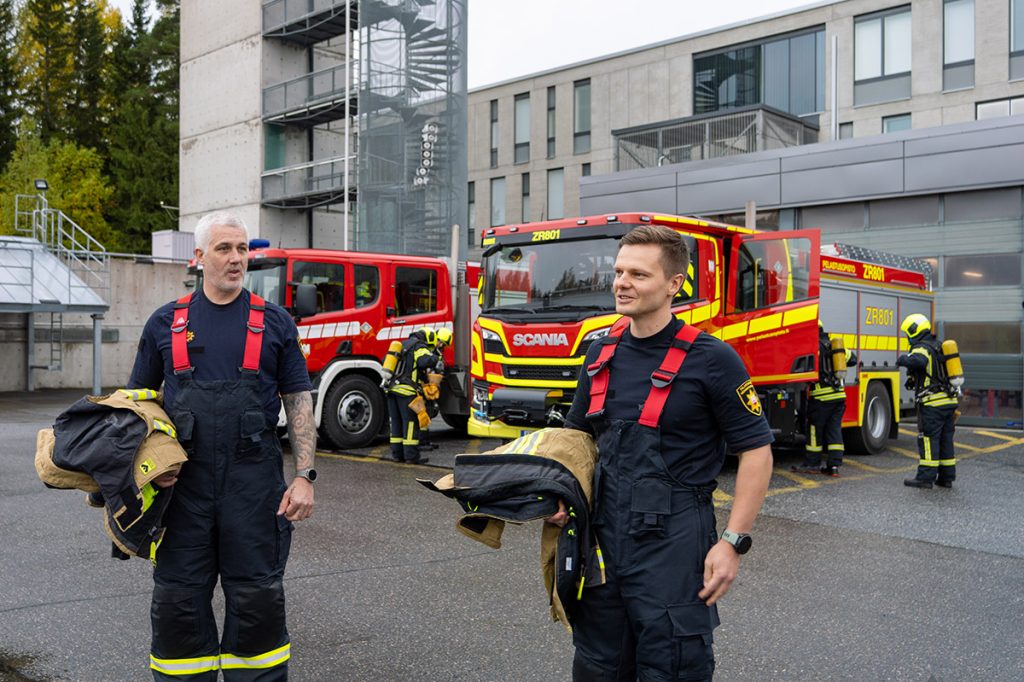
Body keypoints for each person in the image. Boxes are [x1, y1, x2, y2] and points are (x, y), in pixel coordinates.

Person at [551, 224, 774, 681]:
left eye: (638, 274)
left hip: (675, 543)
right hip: (603, 539)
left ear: (674, 284)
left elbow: (756, 451)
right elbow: (575, 440)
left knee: (672, 665)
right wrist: (560, 496)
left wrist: (732, 542)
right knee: (598, 664)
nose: (621, 283)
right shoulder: (598, 355)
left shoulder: (713, 360)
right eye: (618, 271)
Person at [128, 211, 316, 680]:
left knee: (257, 604)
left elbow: (299, 402)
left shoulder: (275, 323)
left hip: (254, 494)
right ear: (198, 258)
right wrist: (149, 466)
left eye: (242, 249)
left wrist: (304, 476)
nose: (237, 259)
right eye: (224, 249)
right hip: (182, 496)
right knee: (177, 603)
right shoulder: (164, 323)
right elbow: (138, 406)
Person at [897, 313, 958, 489]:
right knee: (946, 439)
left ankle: (925, 477)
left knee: (928, 439)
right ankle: (947, 477)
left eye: (908, 332)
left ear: (915, 330)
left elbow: (917, 361)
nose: (908, 337)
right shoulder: (939, 346)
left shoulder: (921, 348)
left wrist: (902, 359)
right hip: (948, 401)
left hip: (933, 404)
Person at [792, 321, 857, 478]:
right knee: (834, 430)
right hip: (839, 396)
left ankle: (812, 463)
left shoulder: (813, 348)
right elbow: (853, 359)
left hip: (821, 398)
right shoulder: (834, 346)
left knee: (814, 430)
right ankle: (834, 466)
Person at [385, 326, 442, 464]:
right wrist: (437, 355)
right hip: (407, 392)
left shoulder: (402, 345)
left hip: (392, 390)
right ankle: (411, 456)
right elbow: (425, 361)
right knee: (410, 424)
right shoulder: (419, 346)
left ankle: (397, 455)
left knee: (396, 424)